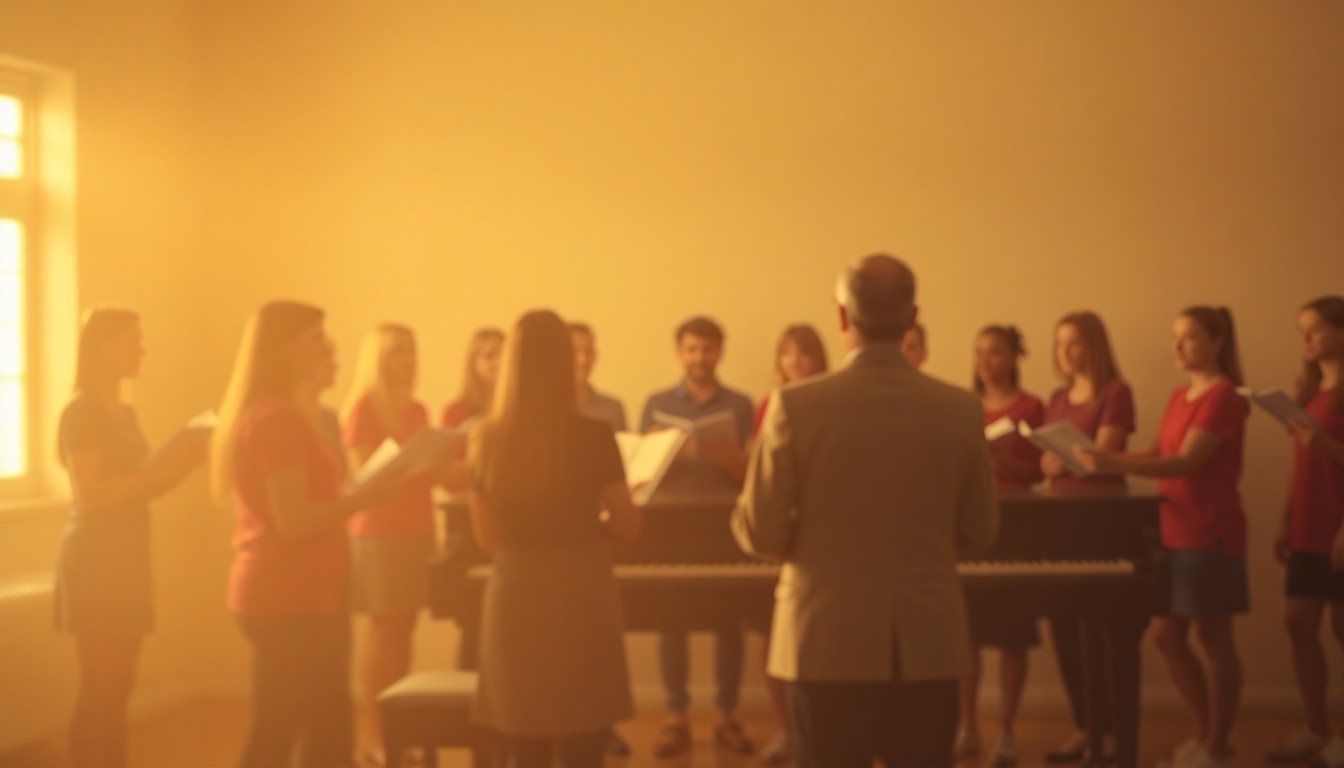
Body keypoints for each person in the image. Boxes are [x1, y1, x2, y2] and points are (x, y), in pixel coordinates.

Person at [733, 254, 997, 768]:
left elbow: (759, 533)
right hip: (927, 641)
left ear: (842, 317)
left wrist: (814, 549)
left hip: (822, 639)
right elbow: (981, 531)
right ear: (911, 316)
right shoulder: (961, 408)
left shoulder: (793, 406)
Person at [213, 301, 406, 768]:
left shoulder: (278, 413)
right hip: (284, 595)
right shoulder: (275, 418)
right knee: (314, 729)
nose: (329, 346)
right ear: (282, 349)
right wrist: (364, 498)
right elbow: (293, 522)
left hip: (295, 592)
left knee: (293, 726)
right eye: (316, 339)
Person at [1076, 307, 1248, 768]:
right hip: (1172, 529)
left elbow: (1188, 462)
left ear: (1216, 342)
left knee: (1214, 640)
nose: (1177, 346)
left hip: (1210, 532)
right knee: (1166, 637)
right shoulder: (1178, 396)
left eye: (1189, 338)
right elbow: (1159, 452)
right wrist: (1104, 457)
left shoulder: (1224, 396)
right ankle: (1207, 733)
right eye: (1175, 336)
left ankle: (1216, 746)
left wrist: (1115, 464)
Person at [468, 309, 639, 768]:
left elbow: (486, 539)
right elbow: (626, 526)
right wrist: (589, 527)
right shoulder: (595, 435)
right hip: (582, 591)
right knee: (585, 739)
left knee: (525, 743)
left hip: (516, 593)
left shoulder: (486, 439)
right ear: (567, 363)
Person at [54, 308, 208, 768]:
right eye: (132, 341)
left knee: (121, 684)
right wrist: (158, 473)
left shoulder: (124, 411)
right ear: (103, 347)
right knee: (99, 685)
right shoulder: (79, 412)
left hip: (127, 553)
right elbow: (92, 494)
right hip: (95, 559)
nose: (142, 350)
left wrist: (187, 458)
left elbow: (146, 484)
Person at [637, 315, 755, 758]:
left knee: (730, 621)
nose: (699, 357)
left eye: (707, 349)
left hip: (723, 520)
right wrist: (662, 448)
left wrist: (726, 455)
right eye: (691, 349)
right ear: (679, 352)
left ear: (719, 352)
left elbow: (751, 472)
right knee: (672, 620)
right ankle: (675, 717)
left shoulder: (741, 404)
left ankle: (725, 715)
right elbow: (639, 472)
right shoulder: (656, 402)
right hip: (670, 524)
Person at [341, 324, 440, 766]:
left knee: (406, 628)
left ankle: (401, 730)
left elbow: (433, 470)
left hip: (417, 526)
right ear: (379, 357)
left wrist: (436, 460)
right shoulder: (364, 406)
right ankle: (375, 736)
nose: (409, 359)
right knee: (382, 630)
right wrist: (413, 467)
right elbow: (363, 474)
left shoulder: (418, 409)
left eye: (412, 350)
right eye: (399, 351)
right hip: (378, 529)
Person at [1041, 310, 1136, 764]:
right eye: (1060, 343)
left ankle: (1115, 732)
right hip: (1061, 518)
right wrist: (1049, 465)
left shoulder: (1116, 392)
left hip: (1103, 518)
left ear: (1093, 346)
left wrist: (1073, 459)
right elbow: (1046, 459)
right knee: (1064, 625)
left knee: (1106, 628)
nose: (1065, 352)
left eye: (1074, 342)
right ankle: (1084, 726)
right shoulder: (1056, 397)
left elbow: (1106, 453)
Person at [956, 324, 1045, 768]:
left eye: (994, 352)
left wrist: (1003, 461)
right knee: (966, 633)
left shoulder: (1033, 407)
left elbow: (1042, 472)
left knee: (1012, 635)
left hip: (1018, 526)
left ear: (1013, 357)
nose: (986, 360)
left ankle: (1006, 730)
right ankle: (967, 727)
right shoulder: (962, 407)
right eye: (979, 352)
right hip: (970, 527)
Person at [1268, 296, 1344, 767]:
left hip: (1339, 529)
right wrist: (1284, 517)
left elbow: (1324, 450)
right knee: (1297, 623)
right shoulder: (1311, 391)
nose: (1305, 340)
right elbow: (1301, 464)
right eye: (1302, 331)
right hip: (1307, 527)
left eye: (1313, 329)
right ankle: (1317, 728)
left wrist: (1327, 443)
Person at [751, 324, 829, 766]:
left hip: (818, 535)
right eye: (788, 355)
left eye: (805, 354)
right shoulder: (770, 406)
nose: (797, 363)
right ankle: (785, 728)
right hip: (782, 532)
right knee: (770, 631)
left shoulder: (834, 403)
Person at [440, 327, 505, 492]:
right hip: (465, 504)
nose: (499, 362)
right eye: (490, 356)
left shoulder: (519, 408)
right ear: (473, 363)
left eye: (505, 355)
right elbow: (446, 476)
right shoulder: (454, 411)